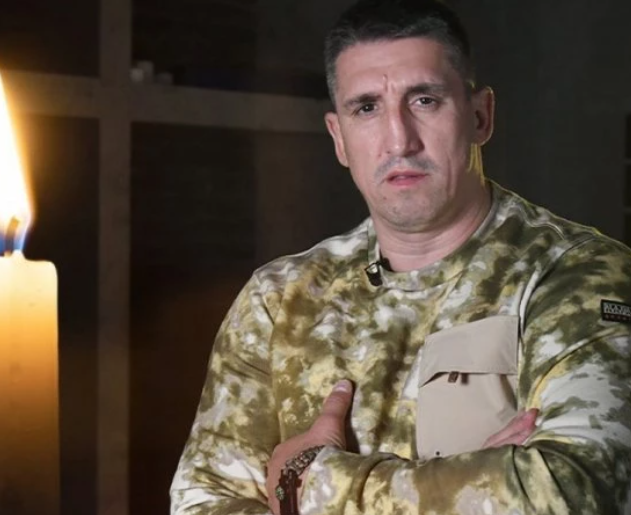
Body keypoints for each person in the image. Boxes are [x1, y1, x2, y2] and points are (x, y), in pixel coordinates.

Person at [169, 0, 631, 514]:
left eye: (425, 100)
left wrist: (312, 483)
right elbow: (200, 503)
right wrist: (477, 486)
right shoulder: (280, 301)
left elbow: (572, 492)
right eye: (366, 108)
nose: (399, 140)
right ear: (339, 138)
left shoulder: (578, 276)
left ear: (480, 116)